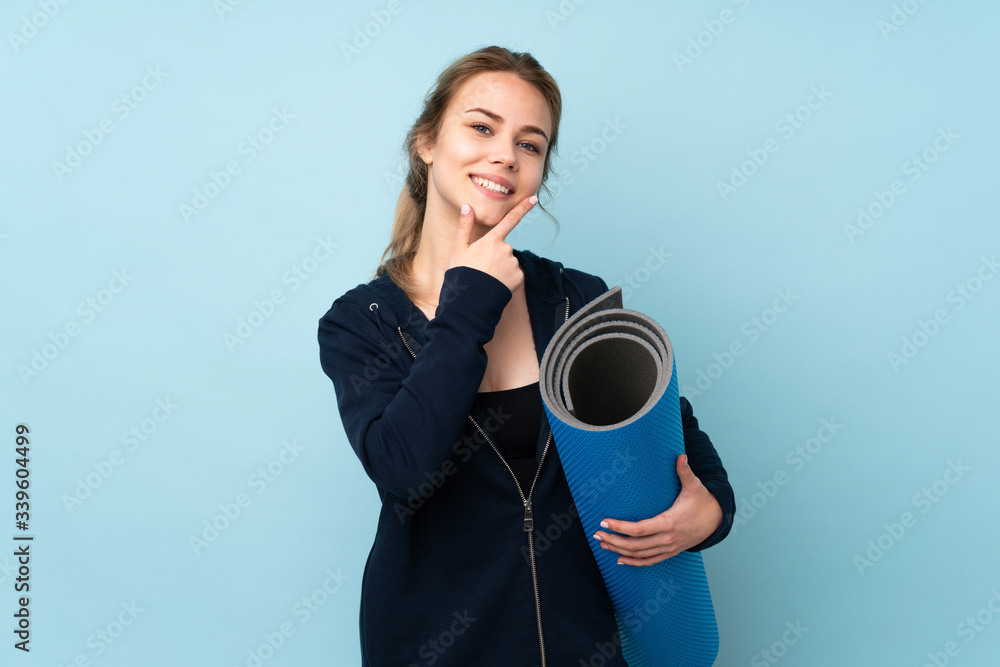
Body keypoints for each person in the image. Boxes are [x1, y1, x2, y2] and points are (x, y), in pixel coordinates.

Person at [318, 45, 735, 667]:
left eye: (530, 143)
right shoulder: (361, 321)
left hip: (583, 644)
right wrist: (470, 301)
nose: (504, 156)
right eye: (481, 127)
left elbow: (675, 435)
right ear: (426, 142)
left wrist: (714, 509)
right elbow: (403, 471)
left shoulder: (575, 299)